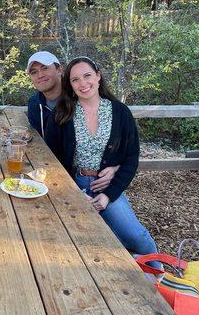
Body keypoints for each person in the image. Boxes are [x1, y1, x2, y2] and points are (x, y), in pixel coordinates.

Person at [45, 56, 158, 256]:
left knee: (136, 237)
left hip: (108, 186)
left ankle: (160, 276)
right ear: (70, 85)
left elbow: (131, 158)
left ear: (98, 76)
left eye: (87, 76)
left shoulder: (120, 112)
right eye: (75, 79)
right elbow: (51, 159)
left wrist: (108, 194)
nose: (83, 83)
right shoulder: (62, 114)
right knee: (92, 243)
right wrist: (72, 191)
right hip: (74, 184)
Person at [27, 51, 118, 193]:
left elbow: (120, 144)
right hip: (54, 175)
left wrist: (115, 168)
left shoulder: (84, 96)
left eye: (45, 68)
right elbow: (40, 142)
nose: (40, 75)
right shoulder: (34, 104)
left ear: (59, 70)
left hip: (94, 180)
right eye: (34, 72)